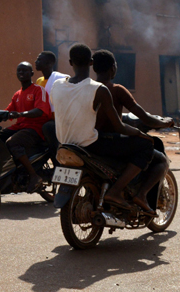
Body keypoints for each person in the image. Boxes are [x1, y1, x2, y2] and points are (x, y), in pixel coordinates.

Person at [49, 43, 155, 213]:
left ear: (70, 63)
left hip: (64, 145)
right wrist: (140, 133)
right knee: (146, 146)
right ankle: (115, 191)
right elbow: (119, 127)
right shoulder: (99, 89)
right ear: (91, 62)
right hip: (91, 145)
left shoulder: (57, 86)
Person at [91, 48, 172, 210]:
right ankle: (139, 194)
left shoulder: (86, 88)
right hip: (112, 143)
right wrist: (165, 122)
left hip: (91, 141)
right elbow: (145, 118)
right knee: (159, 158)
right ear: (113, 67)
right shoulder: (116, 90)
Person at [0, 61, 49, 192]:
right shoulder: (17, 94)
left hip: (35, 128)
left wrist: (21, 114)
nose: (21, 73)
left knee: (13, 142)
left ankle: (34, 176)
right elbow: (8, 112)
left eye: (25, 70)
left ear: (32, 73)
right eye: (19, 71)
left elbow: (39, 110)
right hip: (20, 127)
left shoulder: (38, 90)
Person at [35, 51, 68, 152]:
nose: (36, 61)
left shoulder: (62, 79)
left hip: (59, 120)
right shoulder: (38, 81)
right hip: (43, 118)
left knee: (48, 127)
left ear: (49, 63)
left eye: (39, 59)